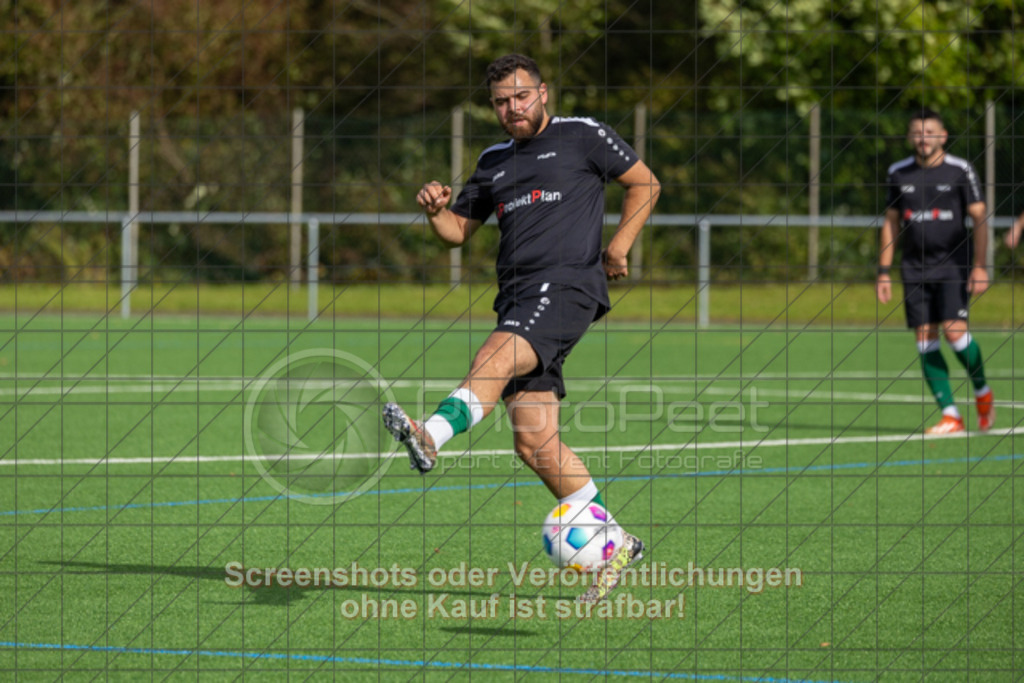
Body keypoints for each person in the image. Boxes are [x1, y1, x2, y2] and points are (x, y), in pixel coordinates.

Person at [382, 53, 661, 603]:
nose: (512, 109)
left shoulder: (582, 136)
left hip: (567, 285)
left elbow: (645, 184)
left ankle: (429, 436)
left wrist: (619, 247)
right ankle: (615, 545)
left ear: (544, 93)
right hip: (517, 295)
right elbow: (458, 232)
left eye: (521, 97)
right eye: (501, 102)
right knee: (533, 440)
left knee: (496, 357)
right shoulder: (492, 161)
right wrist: (436, 209)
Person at [876, 108, 994, 435]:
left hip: (954, 265)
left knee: (955, 333)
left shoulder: (960, 170)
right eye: (917, 132)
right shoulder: (898, 172)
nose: (923, 139)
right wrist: (883, 271)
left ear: (942, 136)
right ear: (909, 137)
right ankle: (951, 415)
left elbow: (979, 219)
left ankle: (982, 391)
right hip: (914, 268)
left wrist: (980, 267)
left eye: (930, 132)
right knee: (924, 338)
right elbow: (890, 223)